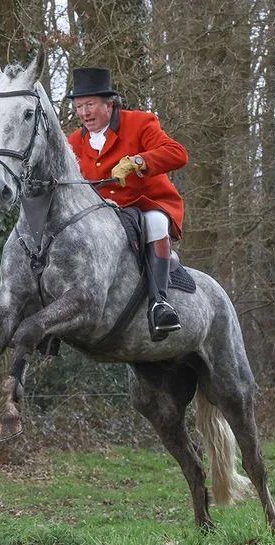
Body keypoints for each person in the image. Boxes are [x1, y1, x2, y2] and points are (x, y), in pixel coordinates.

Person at [67, 67, 188, 341]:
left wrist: (138, 161)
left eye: (90, 105)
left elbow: (178, 154)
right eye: (79, 107)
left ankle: (160, 304)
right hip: (103, 215)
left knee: (155, 222)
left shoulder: (141, 122)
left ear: (109, 104)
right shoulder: (75, 141)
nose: (84, 113)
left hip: (146, 205)